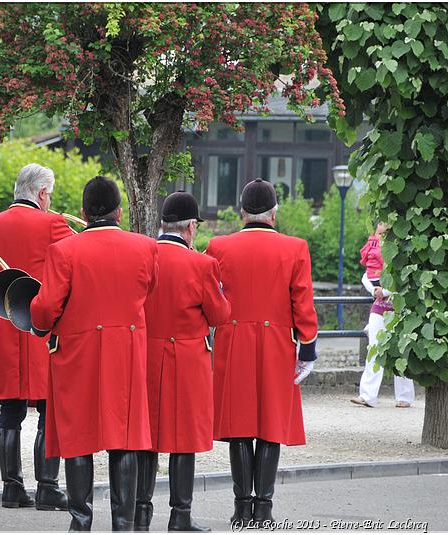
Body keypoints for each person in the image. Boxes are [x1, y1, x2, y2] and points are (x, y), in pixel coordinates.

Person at [30, 176, 159, 531]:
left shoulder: (63, 250)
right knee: (126, 438)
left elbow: (45, 310)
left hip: (77, 353)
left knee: (77, 438)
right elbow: (150, 290)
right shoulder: (146, 247)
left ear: (84, 213)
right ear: (120, 211)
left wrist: (40, 321)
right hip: (127, 352)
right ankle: (124, 523)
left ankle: (81, 521)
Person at [205, 178, 318, 528]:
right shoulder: (295, 247)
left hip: (232, 341)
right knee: (270, 425)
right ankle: (264, 508)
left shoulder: (218, 246)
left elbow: (210, 297)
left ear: (242, 212)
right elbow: (303, 302)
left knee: (240, 426)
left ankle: (242, 507)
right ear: (274, 213)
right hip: (276, 345)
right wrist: (308, 347)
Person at [0, 164, 73, 511]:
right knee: (49, 409)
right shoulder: (53, 223)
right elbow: (70, 269)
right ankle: (47, 486)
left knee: (11, 411)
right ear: (43, 194)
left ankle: (11, 487)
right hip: (39, 323)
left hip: (4, 323)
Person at [135, 192, 230, 532]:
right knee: (182, 442)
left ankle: (140, 513)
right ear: (191, 226)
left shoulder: (141, 254)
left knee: (144, 439)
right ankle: (180, 516)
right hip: (186, 360)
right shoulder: (202, 264)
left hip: (144, 354)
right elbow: (219, 315)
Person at [351, 223, 415, 408]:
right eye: (378, 232)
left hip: (399, 306)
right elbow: (366, 277)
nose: (379, 236)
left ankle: (404, 396)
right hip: (379, 306)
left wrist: (384, 291)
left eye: (383, 233)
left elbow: (405, 278)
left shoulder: (400, 252)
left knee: (401, 349)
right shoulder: (375, 252)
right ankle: (367, 395)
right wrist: (376, 291)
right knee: (374, 348)